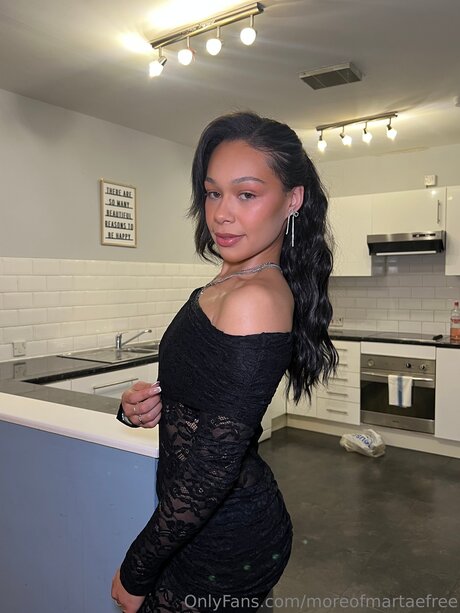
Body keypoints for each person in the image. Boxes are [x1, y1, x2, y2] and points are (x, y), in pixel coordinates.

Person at [111, 111, 338, 613]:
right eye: (213, 193)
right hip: (202, 527)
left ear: (293, 200)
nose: (221, 214)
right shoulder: (227, 281)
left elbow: (210, 471)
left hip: (224, 539)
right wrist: (143, 406)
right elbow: (206, 402)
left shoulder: (255, 297)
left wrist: (135, 569)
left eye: (247, 194)